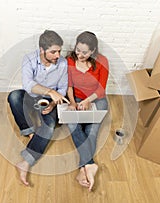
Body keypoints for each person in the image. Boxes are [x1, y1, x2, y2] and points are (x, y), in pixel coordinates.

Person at [7, 30, 69, 186]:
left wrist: (54, 103)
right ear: (42, 50)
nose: (57, 55)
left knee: (48, 127)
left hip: (49, 101)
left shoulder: (62, 63)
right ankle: (29, 133)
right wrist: (49, 91)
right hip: (32, 95)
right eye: (53, 52)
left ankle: (25, 162)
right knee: (14, 96)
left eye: (59, 51)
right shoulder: (29, 59)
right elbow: (28, 85)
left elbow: (62, 89)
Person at [66, 31, 109, 192]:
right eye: (78, 50)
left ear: (93, 51)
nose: (80, 55)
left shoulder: (102, 61)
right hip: (75, 99)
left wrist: (87, 101)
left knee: (92, 130)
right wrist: (72, 103)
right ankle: (89, 164)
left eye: (85, 52)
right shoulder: (69, 60)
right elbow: (68, 85)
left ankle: (82, 168)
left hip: (96, 99)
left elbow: (101, 89)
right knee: (72, 125)